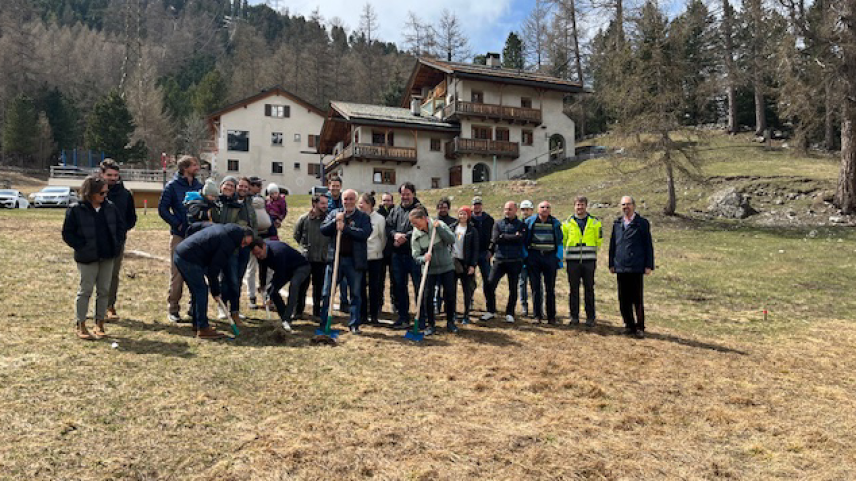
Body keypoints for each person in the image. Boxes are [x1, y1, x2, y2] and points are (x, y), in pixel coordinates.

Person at [62, 175, 126, 340]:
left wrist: (117, 245)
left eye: (106, 193)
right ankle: (81, 324)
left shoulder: (110, 208)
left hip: (108, 256)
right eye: (101, 193)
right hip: (87, 257)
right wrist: (82, 246)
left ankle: (100, 323)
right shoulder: (76, 209)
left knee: (104, 290)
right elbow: (67, 233)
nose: (105, 196)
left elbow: (120, 228)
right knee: (85, 291)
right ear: (90, 193)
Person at [174, 224, 255, 340]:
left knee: (197, 291)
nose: (243, 246)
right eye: (245, 243)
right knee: (201, 290)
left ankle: (197, 323)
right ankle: (203, 329)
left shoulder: (226, 232)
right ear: (242, 235)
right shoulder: (227, 243)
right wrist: (216, 291)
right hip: (188, 258)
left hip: (182, 253)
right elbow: (214, 270)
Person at [319, 189, 371, 334]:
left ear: (355, 200)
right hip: (335, 259)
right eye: (345, 199)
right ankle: (324, 322)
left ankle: (354, 324)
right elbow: (323, 229)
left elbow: (364, 234)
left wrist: (346, 228)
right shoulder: (335, 213)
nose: (348, 202)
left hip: (353, 261)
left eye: (351, 199)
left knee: (355, 293)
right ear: (342, 200)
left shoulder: (362, 217)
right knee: (327, 292)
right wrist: (335, 221)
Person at [158, 155, 203, 323]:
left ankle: (194, 307)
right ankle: (173, 308)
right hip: (179, 235)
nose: (197, 167)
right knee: (177, 274)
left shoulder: (199, 186)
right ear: (185, 168)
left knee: (196, 271)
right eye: (194, 165)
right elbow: (162, 209)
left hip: (196, 235)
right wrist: (177, 224)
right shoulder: (172, 186)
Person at [608, 195, 655, 339]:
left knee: (637, 299)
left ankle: (640, 327)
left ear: (633, 206)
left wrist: (649, 265)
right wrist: (611, 263)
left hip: (636, 266)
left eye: (628, 204)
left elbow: (648, 245)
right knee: (623, 298)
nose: (625, 207)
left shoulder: (642, 223)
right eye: (623, 205)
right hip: (620, 266)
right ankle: (628, 325)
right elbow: (612, 245)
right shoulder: (617, 223)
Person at [211, 176, 255, 324]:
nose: (242, 189)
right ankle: (224, 308)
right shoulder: (223, 202)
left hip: (244, 246)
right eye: (239, 186)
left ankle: (235, 309)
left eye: (245, 187)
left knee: (238, 279)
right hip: (230, 247)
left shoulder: (246, 203)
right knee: (228, 279)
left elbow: (248, 223)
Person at [99, 159, 137, 322]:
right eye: (109, 175)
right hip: (96, 241)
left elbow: (131, 218)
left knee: (112, 274)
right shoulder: (93, 192)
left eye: (115, 175)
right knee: (94, 275)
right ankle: (95, 307)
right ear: (101, 174)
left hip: (117, 241)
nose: (113, 178)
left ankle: (110, 306)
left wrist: (121, 231)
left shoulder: (125, 194)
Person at [410, 206, 457, 335]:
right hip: (429, 270)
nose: (414, 225)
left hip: (446, 266)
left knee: (450, 294)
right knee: (427, 297)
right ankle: (430, 324)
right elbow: (415, 255)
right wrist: (423, 258)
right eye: (412, 223)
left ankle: (450, 321)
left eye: (415, 222)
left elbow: (451, 239)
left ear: (424, 219)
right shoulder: (416, 234)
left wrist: (440, 229)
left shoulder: (438, 225)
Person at [250, 239, 310, 332]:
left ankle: (287, 318)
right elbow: (263, 268)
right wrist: (263, 285)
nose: (258, 256)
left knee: (293, 286)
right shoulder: (260, 254)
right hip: (286, 269)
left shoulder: (277, 252)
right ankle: (283, 316)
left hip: (301, 267)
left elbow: (279, 275)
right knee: (272, 291)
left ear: (264, 247)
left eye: (259, 253)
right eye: (255, 255)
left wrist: (270, 294)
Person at [482, 201, 527, 324]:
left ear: (515, 210)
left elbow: (521, 239)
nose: (507, 211)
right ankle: (490, 310)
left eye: (510, 209)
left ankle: (510, 313)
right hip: (499, 260)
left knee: (513, 288)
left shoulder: (521, 224)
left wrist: (504, 237)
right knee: (489, 284)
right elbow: (496, 238)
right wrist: (513, 236)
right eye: (506, 209)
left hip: (515, 260)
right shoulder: (498, 223)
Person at [562, 195, 603, 327]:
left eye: (582, 205)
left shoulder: (595, 222)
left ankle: (590, 317)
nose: (580, 207)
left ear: (586, 206)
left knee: (589, 289)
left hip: (589, 261)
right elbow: (563, 240)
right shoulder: (567, 223)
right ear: (574, 206)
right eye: (577, 205)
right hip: (572, 262)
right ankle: (574, 316)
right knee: (573, 289)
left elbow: (599, 240)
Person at [386, 182, 422, 329]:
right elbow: (388, 226)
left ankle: (422, 318)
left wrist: (405, 237)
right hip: (397, 255)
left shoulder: (420, 209)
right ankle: (403, 317)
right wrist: (395, 235)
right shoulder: (395, 210)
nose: (405, 197)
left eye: (407, 194)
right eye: (402, 194)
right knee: (400, 287)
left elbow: (421, 227)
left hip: (414, 254)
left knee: (419, 286)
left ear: (413, 194)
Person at [524, 201, 564, 324]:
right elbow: (524, 240)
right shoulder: (530, 222)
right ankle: (537, 316)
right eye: (542, 207)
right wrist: (525, 257)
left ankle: (551, 317)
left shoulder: (555, 223)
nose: (545, 209)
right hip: (534, 257)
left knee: (550, 289)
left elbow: (560, 241)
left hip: (550, 257)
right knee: (536, 288)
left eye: (547, 207)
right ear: (537, 209)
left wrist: (559, 258)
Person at [294, 194, 330, 319]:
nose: (325, 206)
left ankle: (317, 312)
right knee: (301, 287)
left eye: (326, 203)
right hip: (306, 258)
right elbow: (296, 236)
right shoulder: (304, 219)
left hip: (321, 259)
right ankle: (298, 311)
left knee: (319, 288)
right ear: (314, 204)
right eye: (323, 203)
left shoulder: (329, 220)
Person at [359, 193, 387, 325]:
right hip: (361, 256)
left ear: (369, 204)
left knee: (374, 287)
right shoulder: (358, 217)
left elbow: (383, 238)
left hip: (375, 257)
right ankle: (363, 314)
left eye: (362, 203)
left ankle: (374, 314)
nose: (360, 205)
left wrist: (377, 250)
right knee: (360, 287)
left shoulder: (379, 219)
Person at [451, 206, 479, 325]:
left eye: (465, 214)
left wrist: (472, 265)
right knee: (451, 290)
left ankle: (466, 314)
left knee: (466, 290)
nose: (462, 216)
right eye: (460, 214)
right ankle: (452, 313)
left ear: (468, 216)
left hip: (466, 263)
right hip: (453, 261)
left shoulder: (472, 230)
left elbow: (475, 249)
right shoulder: (452, 227)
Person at [325, 175, 349, 309]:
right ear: (329, 186)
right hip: (329, 239)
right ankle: (327, 302)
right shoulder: (325, 199)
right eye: (332, 186)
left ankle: (344, 301)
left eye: (337, 186)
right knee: (329, 275)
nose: (334, 188)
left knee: (344, 275)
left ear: (340, 187)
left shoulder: (344, 199)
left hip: (342, 238)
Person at [433, 197, 456, 313]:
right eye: (440, 207)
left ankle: (449, 308)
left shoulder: (454, 222)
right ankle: (436, 306)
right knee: (437, 285)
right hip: (436, 257)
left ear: (449, 208)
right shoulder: (433, 222)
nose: (442, 209)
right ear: (437, 208)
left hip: (450, 257)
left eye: (445, 207)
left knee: (448, 285)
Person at [471, 196, 494, 301]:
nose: (477, 207)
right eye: (475, 205)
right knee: (470, 280)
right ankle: (469, 302)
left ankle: (489, 302)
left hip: (485, 253)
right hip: (471, 254)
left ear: (482, 206)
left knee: (488, 279)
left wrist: (491, 250)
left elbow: (494, 236)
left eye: (478, 205)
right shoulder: (468, 219)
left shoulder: (489, 219)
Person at [376, 192, 396, 312]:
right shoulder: (378, 214)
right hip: (381, 251)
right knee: (379, 280)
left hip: (393, 251)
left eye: (388, 200)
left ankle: (395, 304)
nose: (386, 203)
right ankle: (378, 304)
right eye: (384, 200)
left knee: (395, 280)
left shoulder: (396, 212)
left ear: (392, 201)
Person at [518, 199, 535, 317]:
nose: (525, 212)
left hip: (534, 257)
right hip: (522, 258)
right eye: (523, 209)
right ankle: (524, 306)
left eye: (527, 209)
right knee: (522, 282)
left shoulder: (536, 222)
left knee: (536, 283)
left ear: (532, 210)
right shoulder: (518, 224)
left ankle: (538, 307)